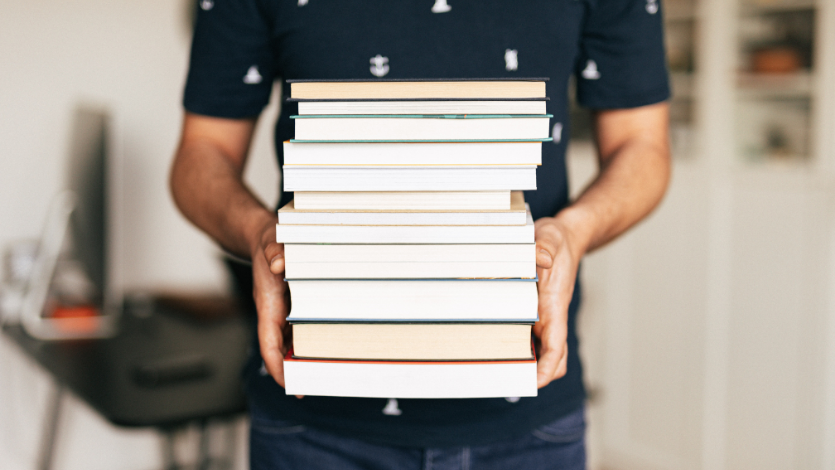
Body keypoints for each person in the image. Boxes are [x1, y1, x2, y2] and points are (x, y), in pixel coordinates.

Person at [170, 1, 671, 468]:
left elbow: (642, 145)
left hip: (525, 414)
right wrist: (258, 231)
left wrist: (575, 232)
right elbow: (201, 152)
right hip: (312, 420)